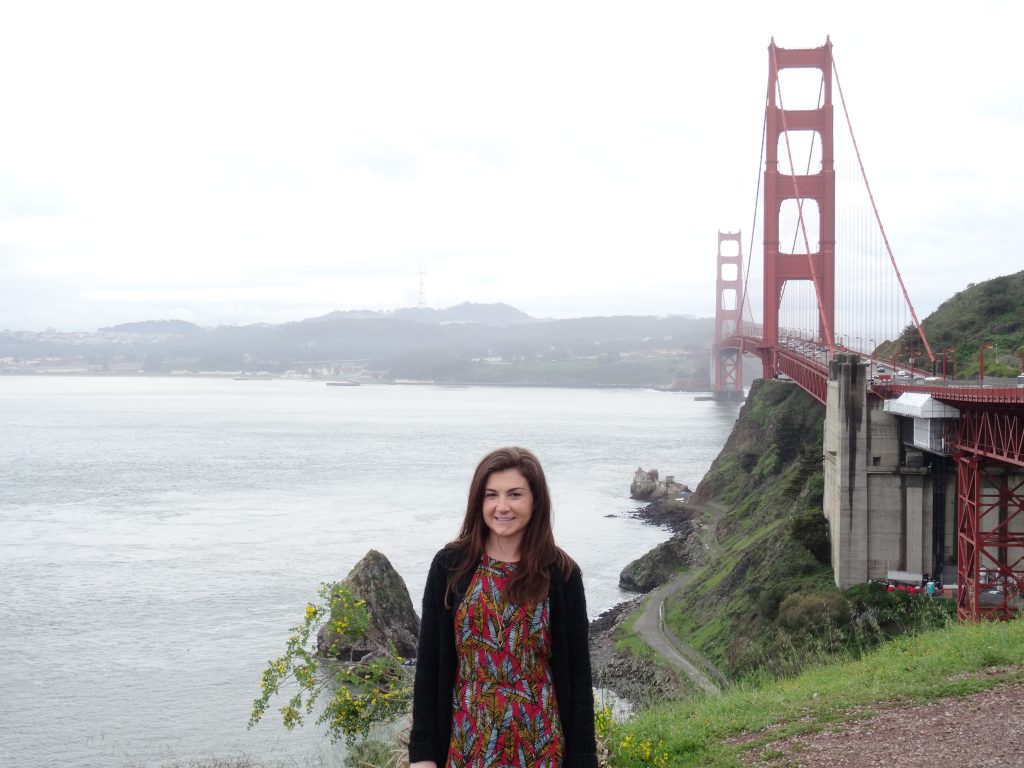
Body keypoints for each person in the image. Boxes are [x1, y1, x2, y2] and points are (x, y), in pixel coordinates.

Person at [408, 446, 598, 768]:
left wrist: (583, 758)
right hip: (466, 747)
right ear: (478, 501)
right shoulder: (450, 567)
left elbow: (578, 673)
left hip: (542, 748)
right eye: (491, 495)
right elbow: (429, 665)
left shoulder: (562, 574)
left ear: (535, 500)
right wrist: (423, 754)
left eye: (515, 494)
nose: (502, 507)